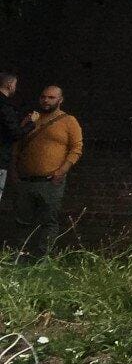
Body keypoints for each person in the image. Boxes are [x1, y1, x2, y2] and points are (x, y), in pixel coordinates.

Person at [13, 85, 82, 260]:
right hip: (26, 179)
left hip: (50, 180)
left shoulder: (68, 121)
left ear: (60, 100)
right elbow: (17, 144)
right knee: (22, 221)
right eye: (43, 97)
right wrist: (14, 170)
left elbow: (76, 148)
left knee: (48, 221)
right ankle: (21, 257)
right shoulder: (31, 119)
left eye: (51, 97)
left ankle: (44, 258)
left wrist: (62, 170)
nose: (46, 100)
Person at [0, 73, 24, 200]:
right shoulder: (4, 105)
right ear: (9, 85)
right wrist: (31, 123)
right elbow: (15, 133)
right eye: (15, 84)